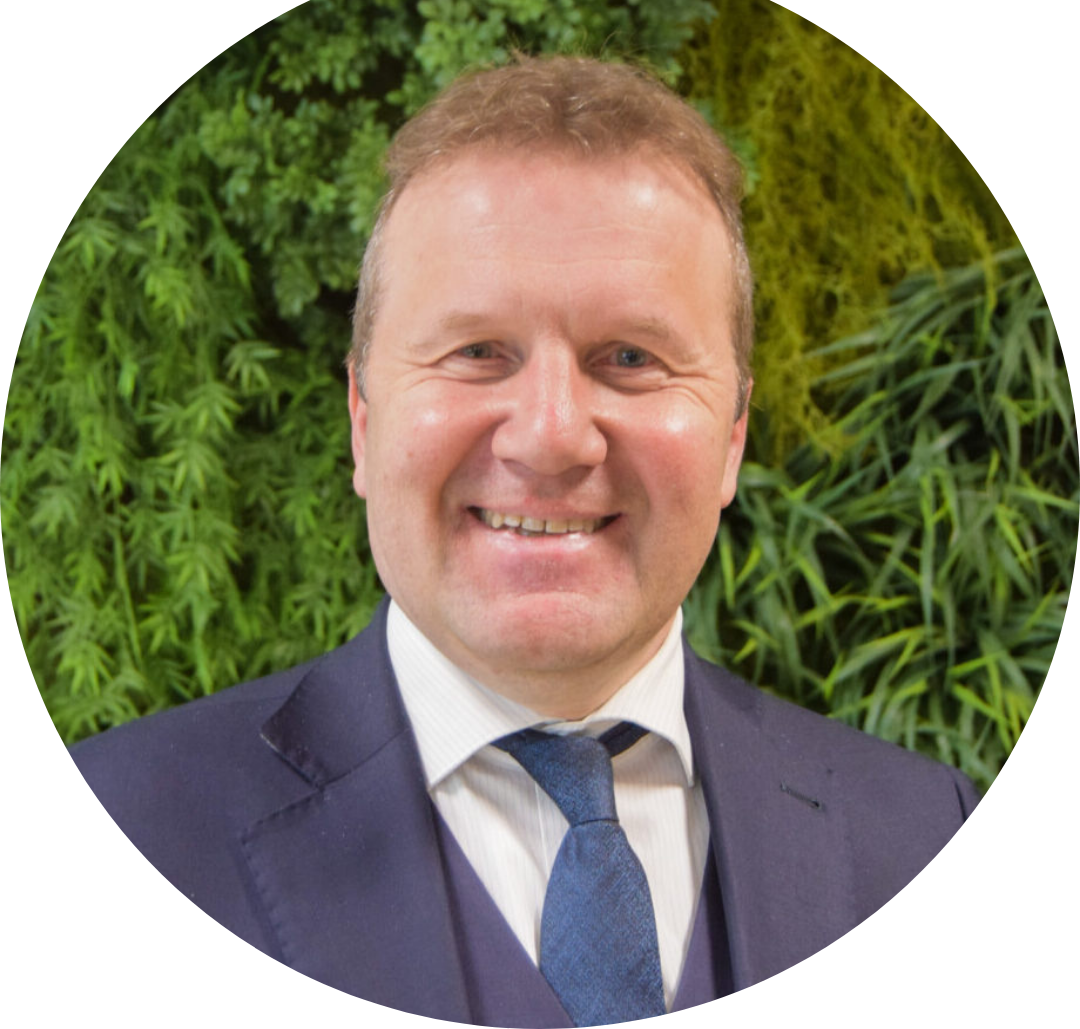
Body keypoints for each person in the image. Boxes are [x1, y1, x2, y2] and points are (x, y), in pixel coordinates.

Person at [72, 56, 977, 1027]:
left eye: (630, 357)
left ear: (733, 435)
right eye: (476, 353)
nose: (550, 436)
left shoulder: (933, 842)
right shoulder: (100, 839)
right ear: (363, 420)